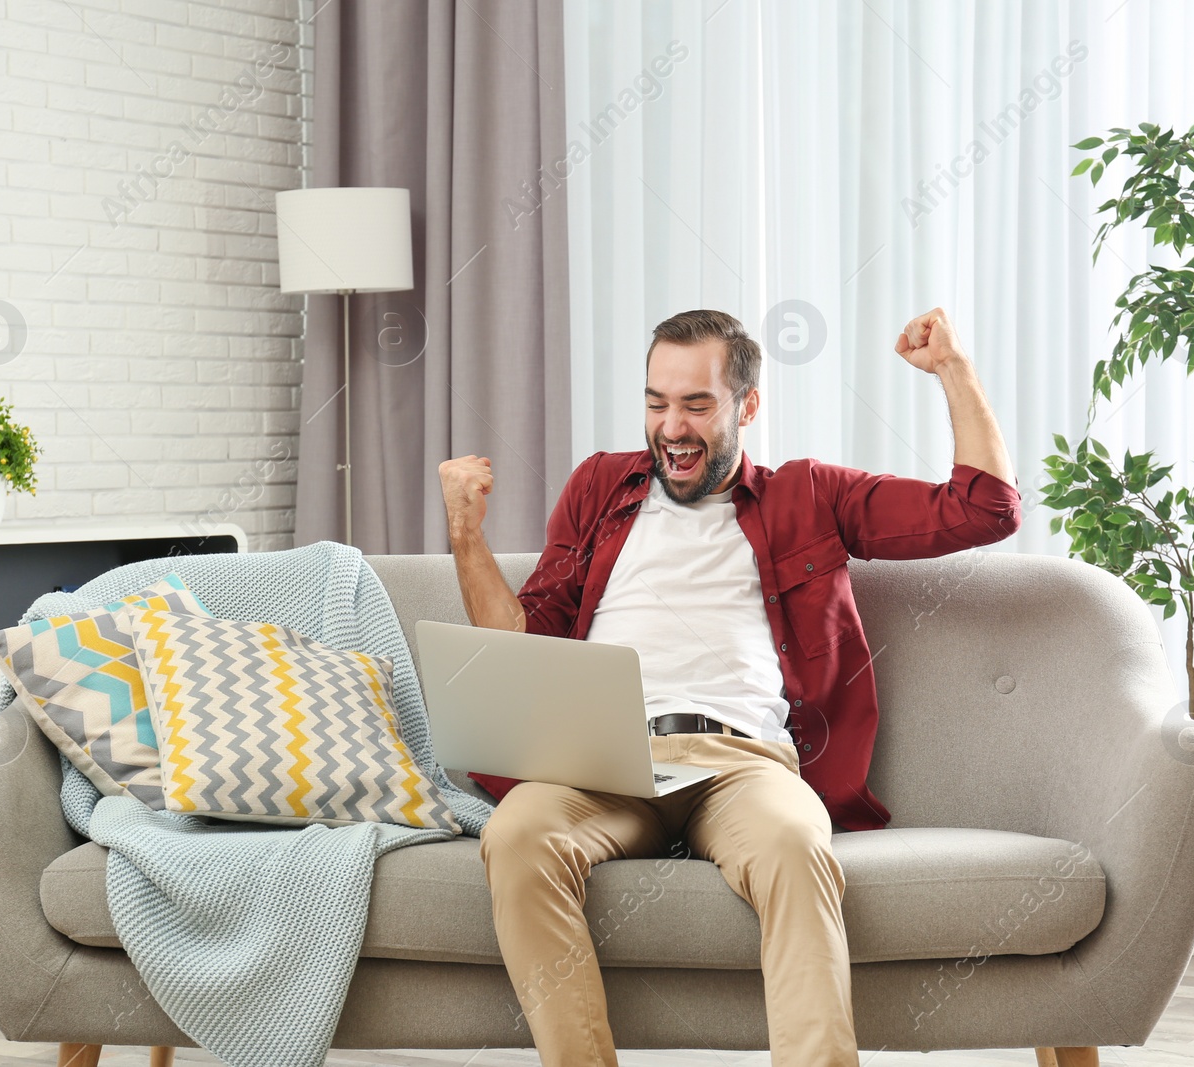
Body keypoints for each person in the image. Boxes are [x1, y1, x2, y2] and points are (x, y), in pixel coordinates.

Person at [437, 308, 1021, 1067]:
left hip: (741, 762)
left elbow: (985, 510)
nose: (672, 427)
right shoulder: (598, 487)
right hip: (605, 758)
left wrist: (953, 368)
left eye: (697, 404)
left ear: (747, 405)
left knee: (792, 842)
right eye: (656, 402)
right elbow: (518, 647)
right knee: (516, 834)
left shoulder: (808, 495)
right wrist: (465, 537)